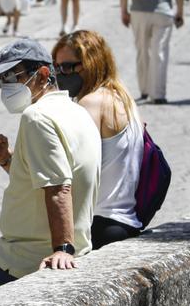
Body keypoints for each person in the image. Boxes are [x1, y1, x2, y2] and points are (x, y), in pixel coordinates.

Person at [0, 39, 100, 294]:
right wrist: (5, 157)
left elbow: (59, 187)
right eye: (1, 81)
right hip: (65, 250)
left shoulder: (36, 117)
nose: (6, 87)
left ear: (44, 74)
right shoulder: (76, 111)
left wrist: (62, 249)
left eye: (13, 76)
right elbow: (41, 179)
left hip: (21, 259)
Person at [51, 31, 143, 248]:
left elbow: (75, 168)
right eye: (56, 67)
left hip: (98, 224)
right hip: (126, 221)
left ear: (90, 63)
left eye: (66, 67)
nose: (60, 74)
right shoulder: (124, 97)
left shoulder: (90, 104)